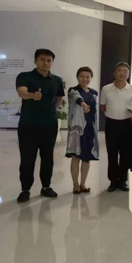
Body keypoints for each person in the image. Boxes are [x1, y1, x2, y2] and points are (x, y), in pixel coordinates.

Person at [15, 49, 65, 203]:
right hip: (28, 125)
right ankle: (25, 189)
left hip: (49, 125)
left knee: (48, 157)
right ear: (35, 61)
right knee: (27, 158)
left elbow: (59, 98)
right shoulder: (25, 76)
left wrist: (52, 110)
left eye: (49, 60)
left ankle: (46, 187)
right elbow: (21, 92)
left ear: (52, 62)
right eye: (42, 59)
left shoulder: (57, 80)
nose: (46, 63)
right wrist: (32, 95)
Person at [100, 62, 132, 192]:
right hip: (111, 124)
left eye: (125, 71)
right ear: (114, 73)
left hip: (127, 124)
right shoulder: (106, 89)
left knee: (125, 153)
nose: (122, 73)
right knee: (112, 153)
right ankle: (113, 181)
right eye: (119, 70)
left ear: (128, 74)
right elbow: (103, 106)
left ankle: (123, 180)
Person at [65, 67, 99, 194]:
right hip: (77, 129)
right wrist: (84, 105)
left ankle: (83, 184)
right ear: (77, 77)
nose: (85, 79)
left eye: (87, 77)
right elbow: (77, 98)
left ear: (91, 78)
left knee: (86, 157)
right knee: (76, 157)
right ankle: (75, 185)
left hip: (90, 128)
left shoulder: (94, 93)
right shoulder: (73, 90)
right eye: (82, 76)